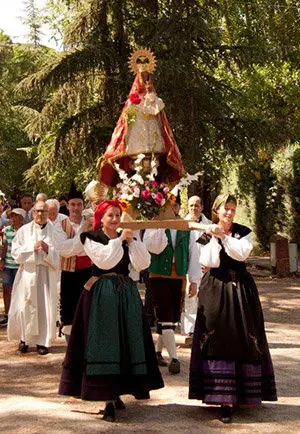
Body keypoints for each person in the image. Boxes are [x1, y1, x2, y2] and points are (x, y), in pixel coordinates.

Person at [59, 200, 164, 422]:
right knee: (105, 341)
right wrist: (120, 240)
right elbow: (105, 261)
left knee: (126, 340)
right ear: (101, 218)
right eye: (110, 215)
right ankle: (107, 396)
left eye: (118, 215)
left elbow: (143, 263)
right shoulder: (91, 237)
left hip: (125, 293)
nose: (115, 219)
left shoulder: (125, 238)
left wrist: (133, 240)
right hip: (102, 295)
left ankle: (118, 392)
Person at [189, 194, 277, 423]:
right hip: (216, 290)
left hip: (241, 290)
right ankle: (223, 398)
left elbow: (241, 253)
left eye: (232, 209)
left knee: (245, 337)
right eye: (225, 209)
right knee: (218, 337)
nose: (229, 213)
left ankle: (243, 393)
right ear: (217, 210)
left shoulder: (243, 231)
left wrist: (225, 238)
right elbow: (209, 261)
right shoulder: (206, 233)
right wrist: (214, 237)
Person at [143, 195, 201, 374]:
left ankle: (157, 352)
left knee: (171, 318)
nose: (171, 209)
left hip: (178, 276)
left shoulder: (186, 227)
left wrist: (194, 280)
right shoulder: (155, 225)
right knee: (165, 317)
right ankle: (174, 359)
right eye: (168, 206)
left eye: (174, 206)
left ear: (178, 208)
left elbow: (193, 253)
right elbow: (152, 247)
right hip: (158, 274)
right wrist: (161, 225)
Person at [7, 201, 59, 355]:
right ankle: (25, 339)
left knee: (44, 307)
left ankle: (42, 341)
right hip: (28, 273)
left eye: (44, 211)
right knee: (25, 307)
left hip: (46, 274)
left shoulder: (54, 231)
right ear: (33, 213)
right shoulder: (23, 231)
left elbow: (59, 254)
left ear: (48, 213)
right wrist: (32, 248)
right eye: (38, 211)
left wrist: (48, 249)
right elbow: (15, 253)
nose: (41, 214)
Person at [55, 183, 93, 342]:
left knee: (88, 311)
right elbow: (64, 249)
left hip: (89, 273)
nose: (76, 208)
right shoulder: (60, 225)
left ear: (84, 205)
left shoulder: (91, 222)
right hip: (68, 273)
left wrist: (75, 245)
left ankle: (86, 351)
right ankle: (71, 351)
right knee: (68, 313)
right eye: (73, 204)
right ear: (68, 206)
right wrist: (83, 237)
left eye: (79, 204)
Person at [182, 196, 211, 344]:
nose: (194, 208)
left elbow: (213, 248)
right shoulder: (182, 225)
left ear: (202, 207)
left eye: (196, 206)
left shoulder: (209, 226)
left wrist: (209, 265)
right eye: (191, 206)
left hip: (206, 269)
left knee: (206, 300)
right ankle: (190, 332)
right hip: (188, 268)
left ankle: (206, 332)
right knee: (190, 299)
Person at [0, 208, 25, 327]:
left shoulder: (25, 231)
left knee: (19, 291)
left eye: (16, 216)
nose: (13, 219)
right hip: (8, 265)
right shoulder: (7, 231)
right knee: (6, 289)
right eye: (12, 216)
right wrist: (2, 260)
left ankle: (18, 315)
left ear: (22, 218)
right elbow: (4, 246)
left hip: (19, 266)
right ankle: (7, 315)